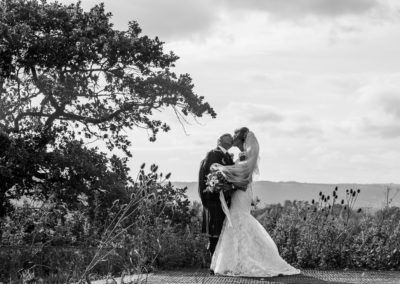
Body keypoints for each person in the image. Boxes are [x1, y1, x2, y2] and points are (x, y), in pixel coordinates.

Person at [210, 127, 301, 277]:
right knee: (236, 220)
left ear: (241, 139)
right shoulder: (243, 155)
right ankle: (236, 260)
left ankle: (244, 260)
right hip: (239, 192)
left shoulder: (246, 156)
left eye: (235, 138)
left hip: (242, 192)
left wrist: (228, 182)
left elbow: (246, 180)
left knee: (239, 219)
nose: (233, 141)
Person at [198, 133, 235, 272]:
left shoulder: (228, 156)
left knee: (222, 234)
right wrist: (218, 187)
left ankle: (221, 265)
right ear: (220, 141)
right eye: (228, 138)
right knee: (214, 235)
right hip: (214, 200)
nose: (231, 139)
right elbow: (210, 176)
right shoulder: (213, 154)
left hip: (225, 200)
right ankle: (213, 266)